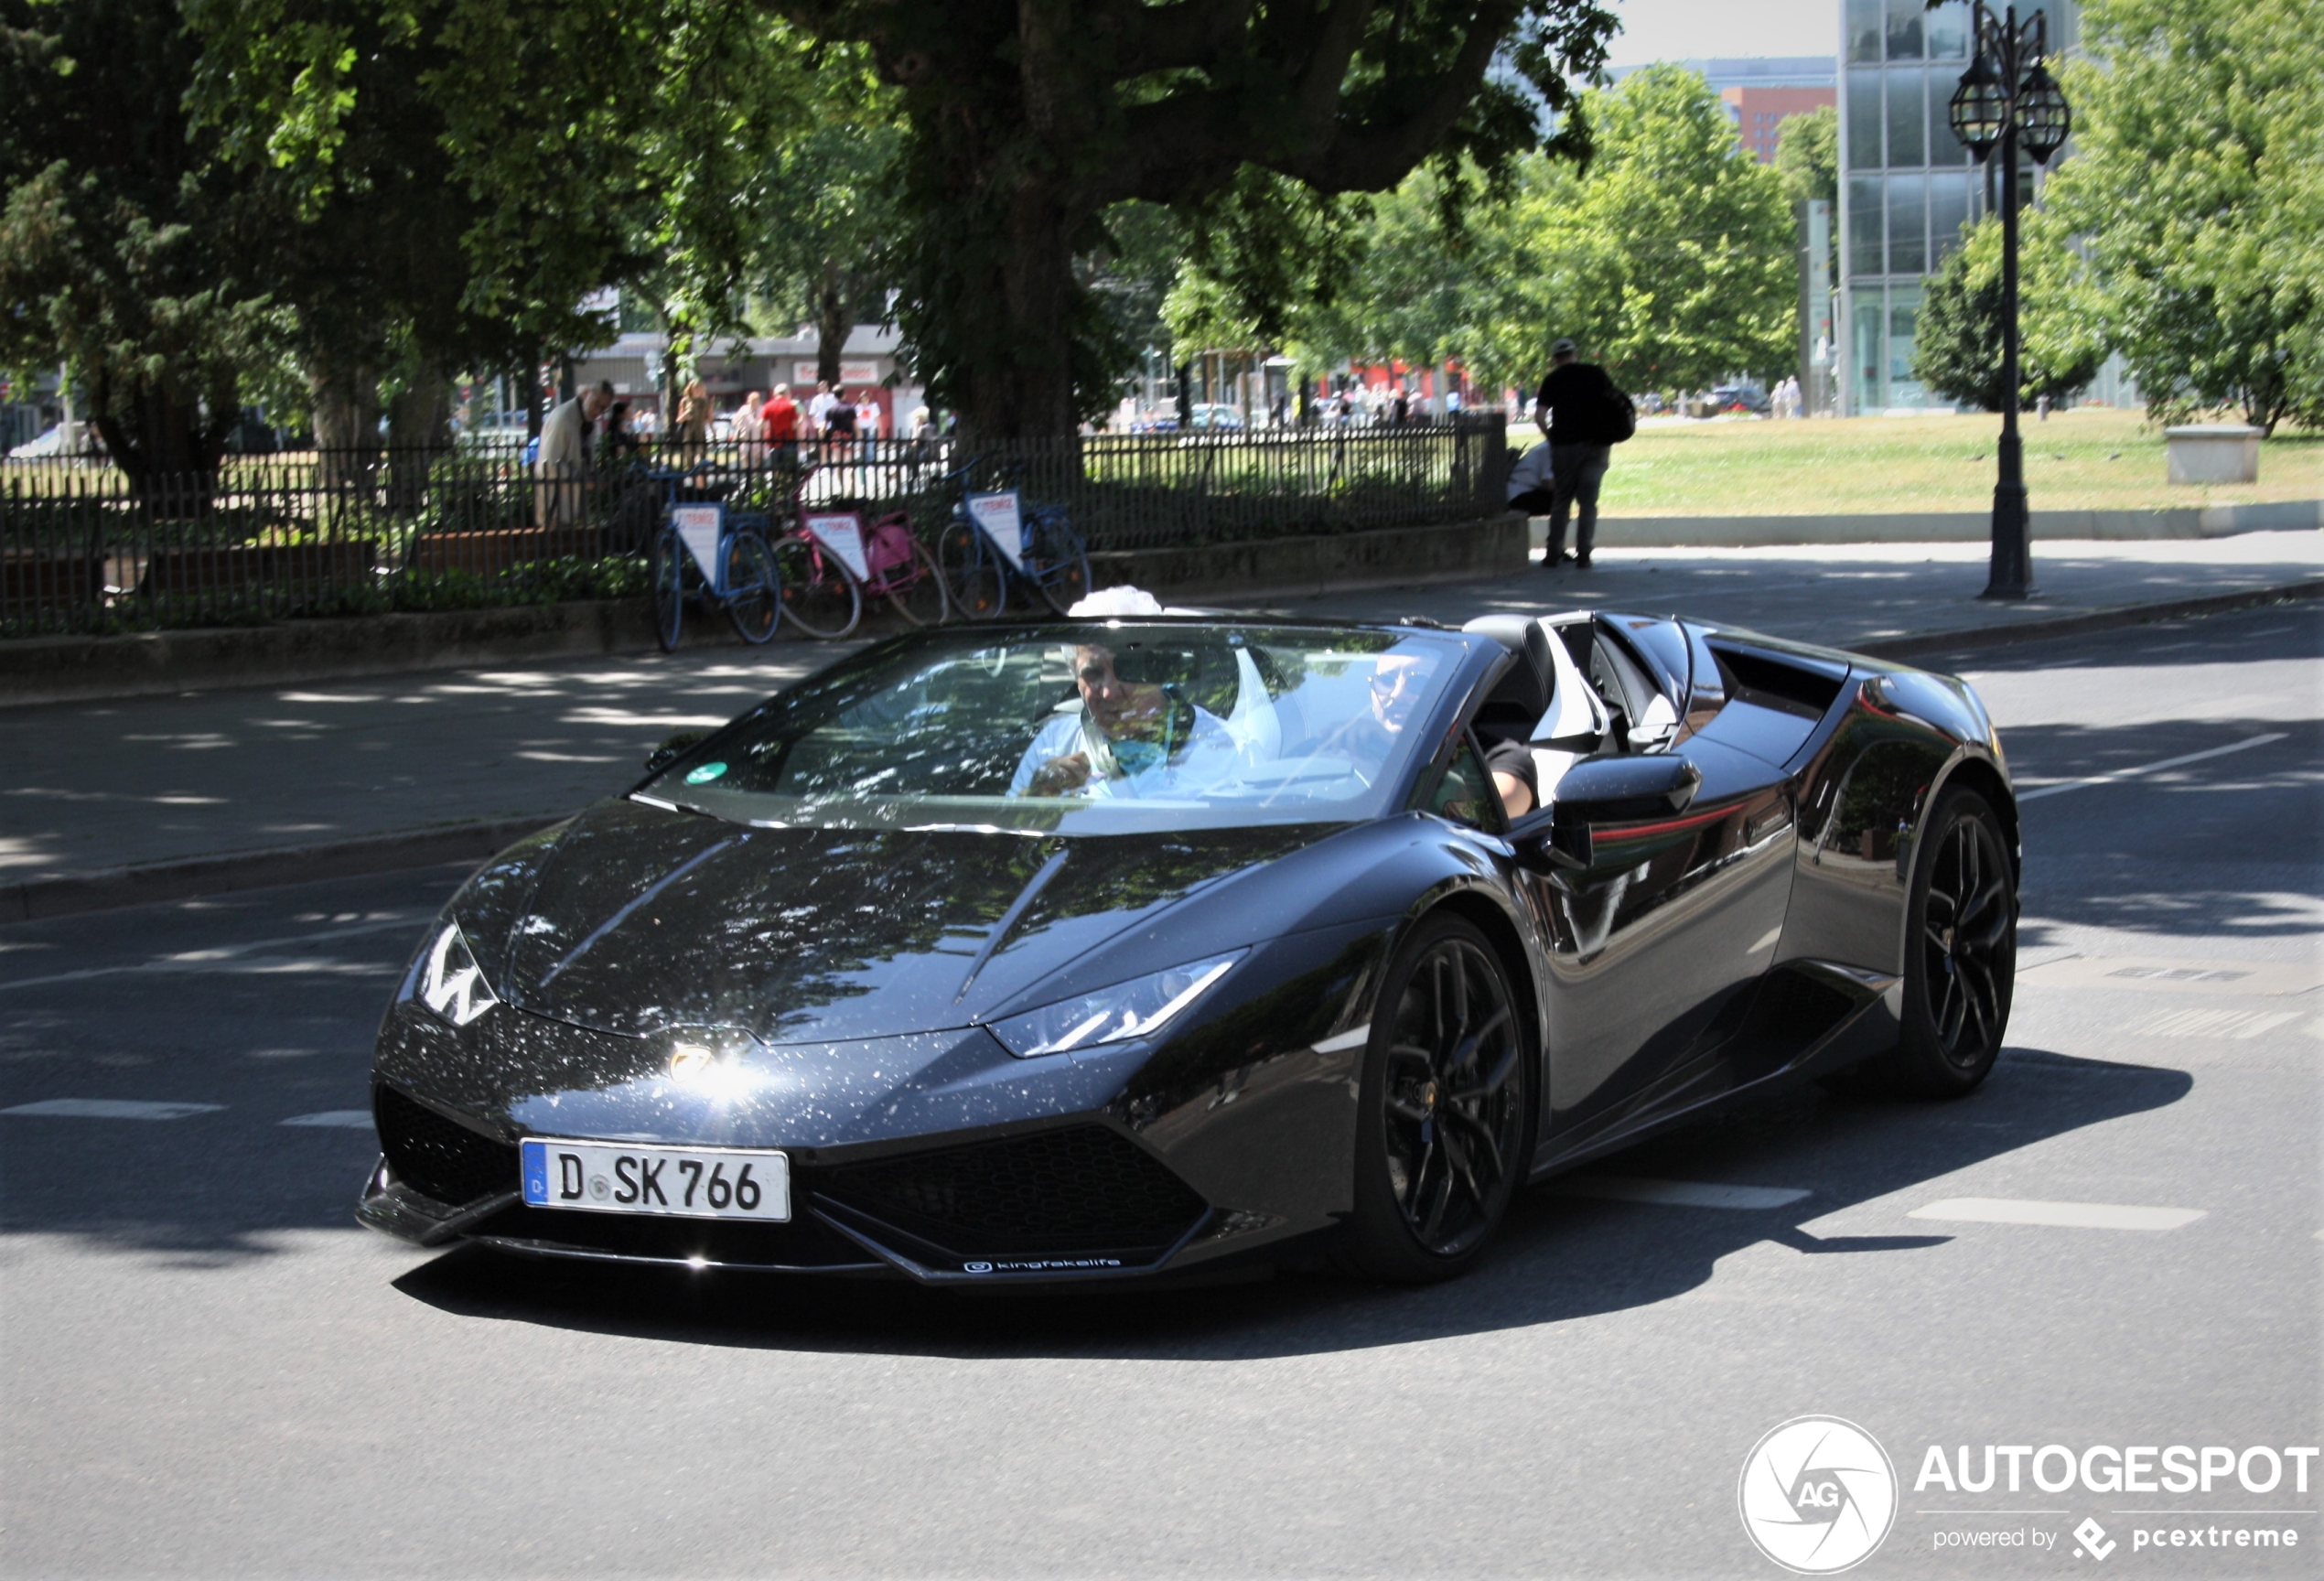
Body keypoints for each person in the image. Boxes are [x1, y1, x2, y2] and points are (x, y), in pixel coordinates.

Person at [1009, 640, 1238, 799]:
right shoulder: (1053, 744)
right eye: (1093, 673)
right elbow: (1014, 836)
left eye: (1127, 669)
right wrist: (1040, 797)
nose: (1109, 692)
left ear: (1159, 670)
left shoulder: (1227, 746)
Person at [1531, 337, 1619, 570]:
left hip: (1565, 448)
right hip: (1596, 447)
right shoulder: (1596, 373)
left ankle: (1553, 554)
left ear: (1555, 359)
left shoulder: (1552, 380)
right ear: (1574, 353)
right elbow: (1615, 404)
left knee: (1561, 500)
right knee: (1588, 502)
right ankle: (1584, 554)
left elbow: (1539, 417)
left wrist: (1552, 438)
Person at [535, 380, 613, 528]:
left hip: (574, 508)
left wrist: (593, 475)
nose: (598, 411)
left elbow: (583, 460)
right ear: (585, 395)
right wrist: (583, 480)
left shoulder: (587, 421)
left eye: (603, 408)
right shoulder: (563, 418)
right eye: (596, 403)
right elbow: (549, 465)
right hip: (556, 508)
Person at [760, 383, 800, 468]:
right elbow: (794, 425)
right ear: (787, 393)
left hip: (773, 440)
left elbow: (760, 424)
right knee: (790, 467)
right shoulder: (791, 406)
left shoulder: (767, 406)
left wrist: (767, 431)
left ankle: (776, 479)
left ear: (775, 394)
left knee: (775, 467)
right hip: (789, 439)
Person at [732, 390, 765, 466]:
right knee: (745, 458)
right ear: (748, 400)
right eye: (752, 400)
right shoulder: (743, 409)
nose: (754, 402)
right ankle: (747, 474)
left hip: (758, 438)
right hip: (745, 438)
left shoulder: (762, 410)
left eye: (756, 400)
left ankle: (756, 475)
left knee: (758, 458)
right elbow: (735, 421)